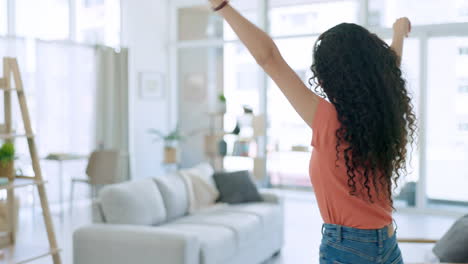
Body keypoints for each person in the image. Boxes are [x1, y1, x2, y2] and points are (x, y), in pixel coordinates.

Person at [207, 1, 416, 263]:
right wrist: (397, 35)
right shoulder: (385, 112)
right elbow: (390, 72)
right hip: (387, 244)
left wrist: (223, 7)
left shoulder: (330, 119)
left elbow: (269, 58)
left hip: (348, 247)